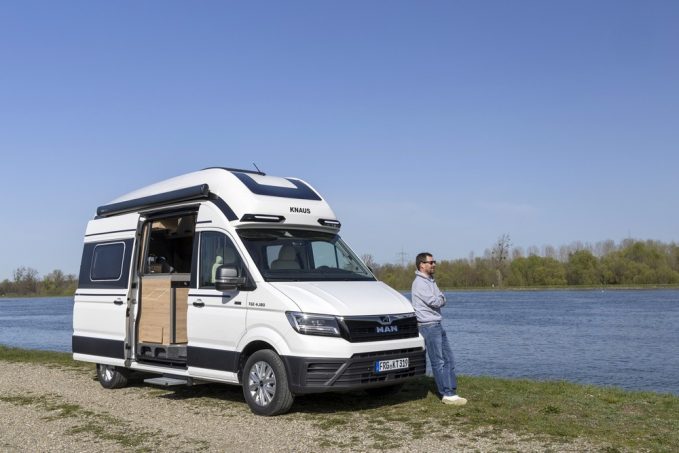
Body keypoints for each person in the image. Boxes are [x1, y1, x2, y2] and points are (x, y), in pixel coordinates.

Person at [411, 252, 467, 406]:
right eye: (431, 262)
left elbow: (440, 298)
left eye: (434, 262)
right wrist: (441, 298)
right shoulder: (420, 283)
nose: (434, 264)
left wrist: (440, 298)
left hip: (437, 324)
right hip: (428, 326)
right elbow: (435, 301)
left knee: (449, 359)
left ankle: (451, 391)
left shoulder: (430, 281)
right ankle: (446, 394)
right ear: (422, 265)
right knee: (438, 361)